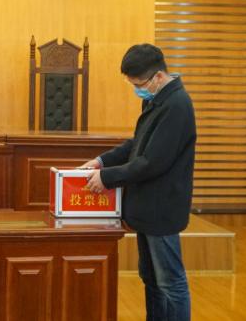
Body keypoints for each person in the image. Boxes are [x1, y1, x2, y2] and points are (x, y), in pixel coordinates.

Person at [83, 43, 196, 321]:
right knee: (151, 278)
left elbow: (152, 162)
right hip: (147, 205)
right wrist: (102, 161)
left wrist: (107, 178)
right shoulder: (155, 99)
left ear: (158, 76)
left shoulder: (177, 105)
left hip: (162, 208)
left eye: (139, 84)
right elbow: (137, 145)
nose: (137, 90)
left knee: (170, 282)